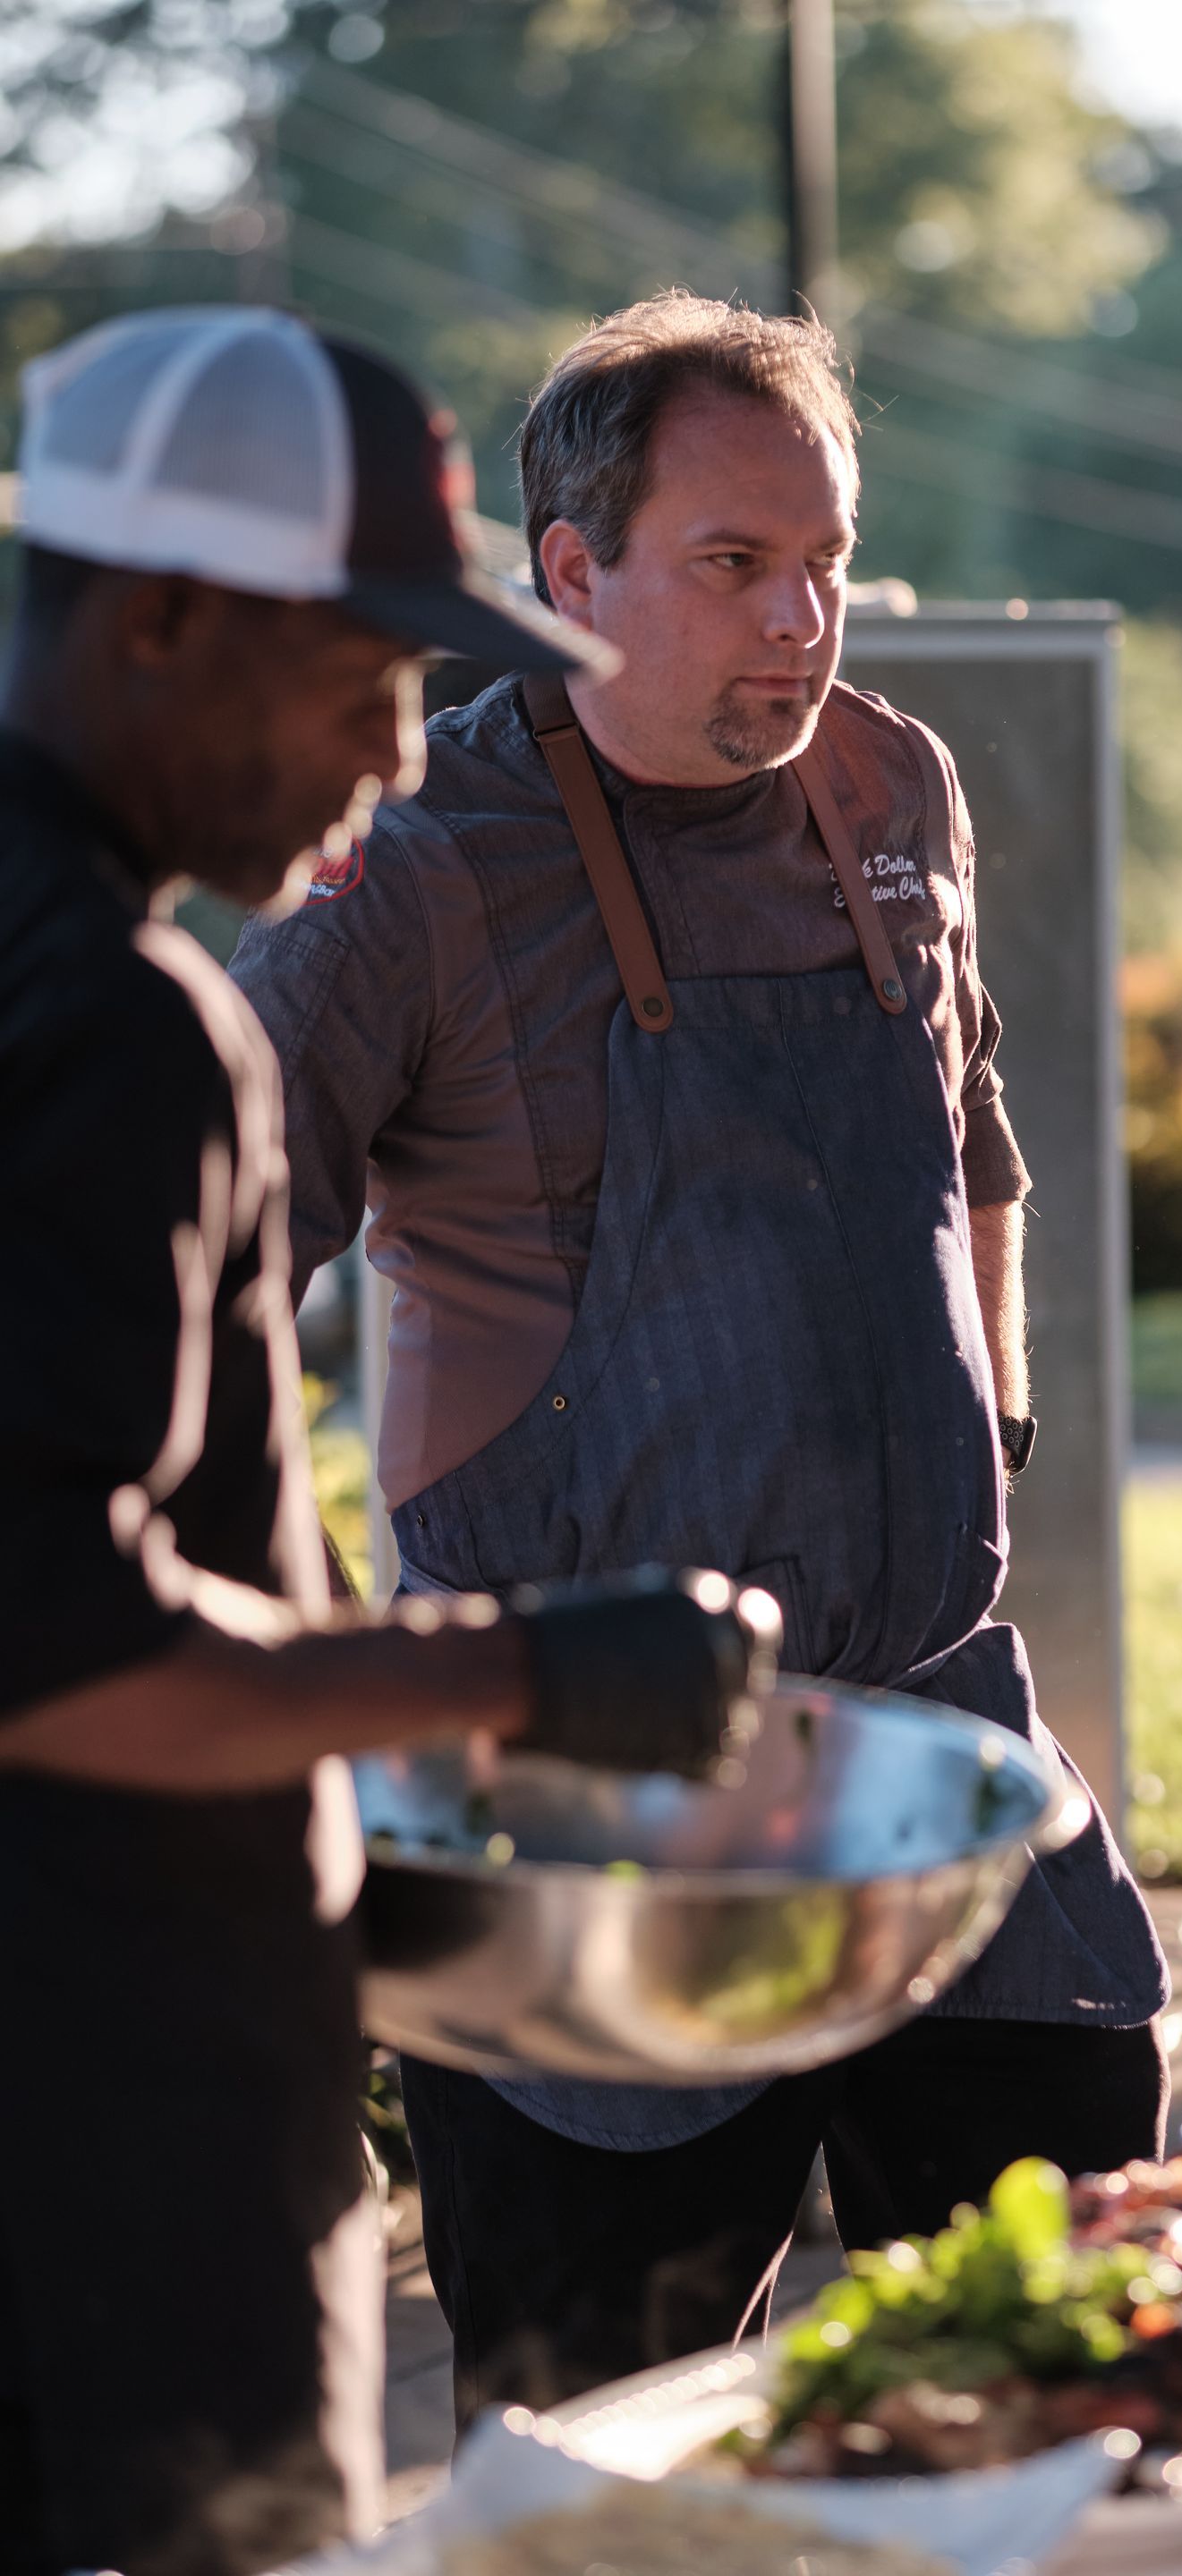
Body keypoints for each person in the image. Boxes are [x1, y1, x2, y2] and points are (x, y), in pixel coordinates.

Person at [231, 289, 1171, 2422]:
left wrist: (987, 1437)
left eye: (826, 560)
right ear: (568, 573)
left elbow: (983, 1139)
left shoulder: (896, 792)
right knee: (603, 2492)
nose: (801, 623)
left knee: (1088, 2409)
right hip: (577, 1818)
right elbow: (189, 1274)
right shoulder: (418, 870)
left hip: (941, 1745)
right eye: (734, 568)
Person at [0, 306, 774, 2576]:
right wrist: (525, 1674)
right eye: (361, 675)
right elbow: (52, 1642)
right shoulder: (133, 1034)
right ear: (160, 621)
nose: (398, 749)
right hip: (105, 2163)